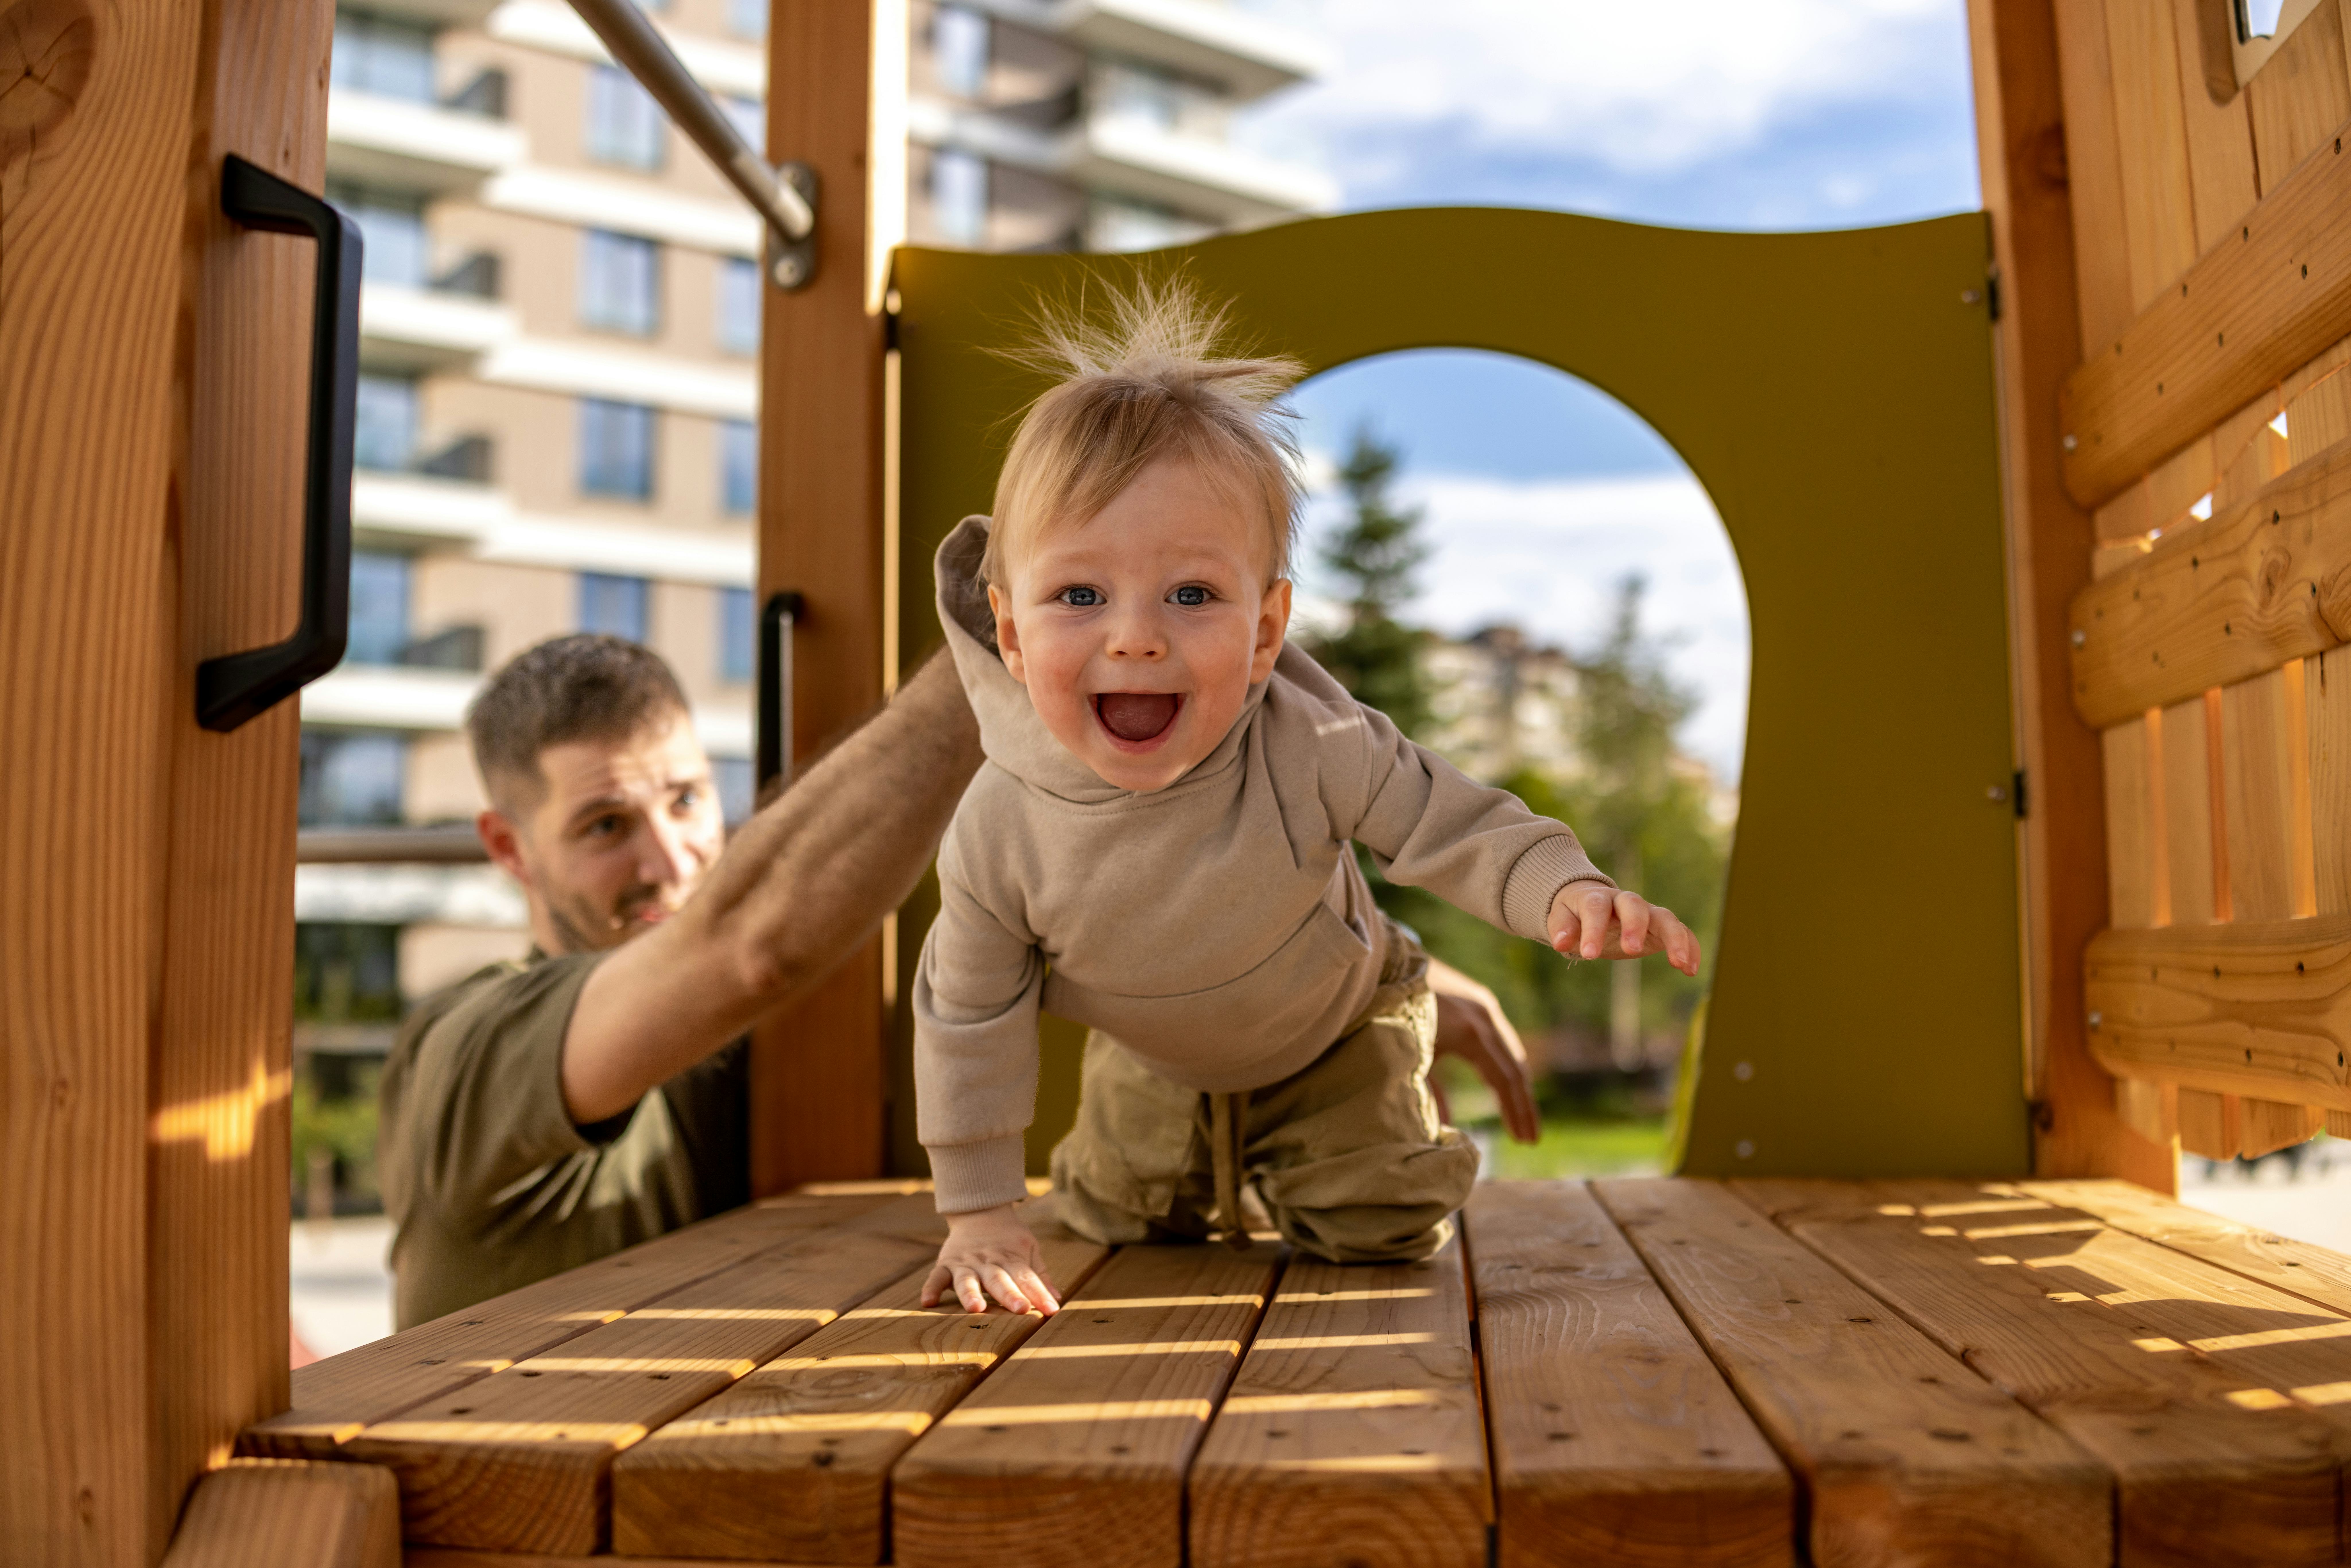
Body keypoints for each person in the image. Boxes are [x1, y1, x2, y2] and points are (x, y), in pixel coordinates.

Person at [913, 284, 1701, 1317]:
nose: (1137, 637)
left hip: (1334, 1033)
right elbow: (970, 1016)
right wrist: (977, 1214)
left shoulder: (1312, 745)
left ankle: (1377, 1127)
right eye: (1080, 596)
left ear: (1267, 631)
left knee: (1383, 1228)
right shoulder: (997, 832)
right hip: (1157, 1065)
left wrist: (1563, 886)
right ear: (1011, 636)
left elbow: (1449, 819)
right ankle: (1186, 1169)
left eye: (1193, 595)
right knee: (1116, 1218)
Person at [378, 630, 1540, 1328]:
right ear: (505, 847)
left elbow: (1104, 918)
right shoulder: (464, 1049)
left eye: (686, 800)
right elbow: (744, 941)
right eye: (603, 825)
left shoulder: (765, 1044)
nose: (669, 856)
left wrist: (1361, 983)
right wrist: (1016, 623)